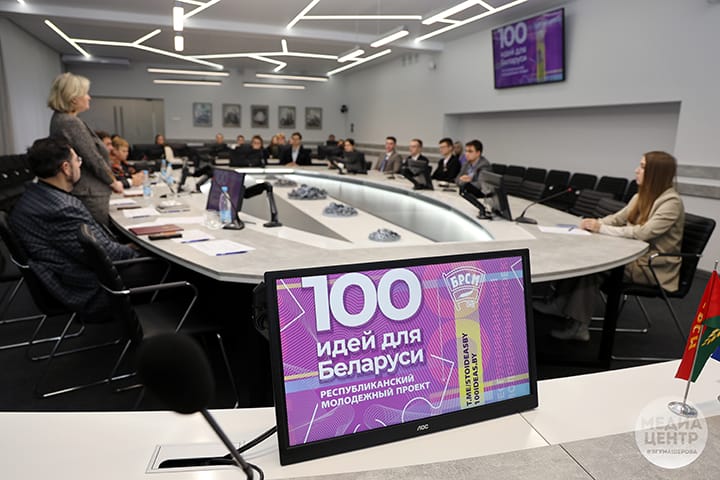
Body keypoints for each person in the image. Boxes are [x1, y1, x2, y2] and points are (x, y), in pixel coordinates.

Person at [535, 151, 685, 342]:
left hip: (651, 266)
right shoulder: (642, 196)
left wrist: (600, 228)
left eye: (642, 167)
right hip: (634, 254)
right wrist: (594, 222)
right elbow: (617, 219)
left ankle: (579, 326)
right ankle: (560, 305)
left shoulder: (671, 202)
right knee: (580, 256)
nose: (636, 170)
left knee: (591, 265)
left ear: (656, 173)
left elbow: (643, 233)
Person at [9, 136, 138, 315]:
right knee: (169, 268)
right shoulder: (60, 208)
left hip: (74, 274)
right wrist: (137, 250)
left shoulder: (37, 195)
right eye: (77, 160)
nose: (80, 165)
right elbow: (107, 256)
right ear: (66, 168)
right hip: (94, 288)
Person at [48, 72, 123, 226]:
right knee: (101, 236)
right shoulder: (70, 122)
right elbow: (93, 158)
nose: (89, 97)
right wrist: (113, 182)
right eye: (85, 93)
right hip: (90, 193)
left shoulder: (60, 119)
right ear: (73, 98)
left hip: (85, 191)